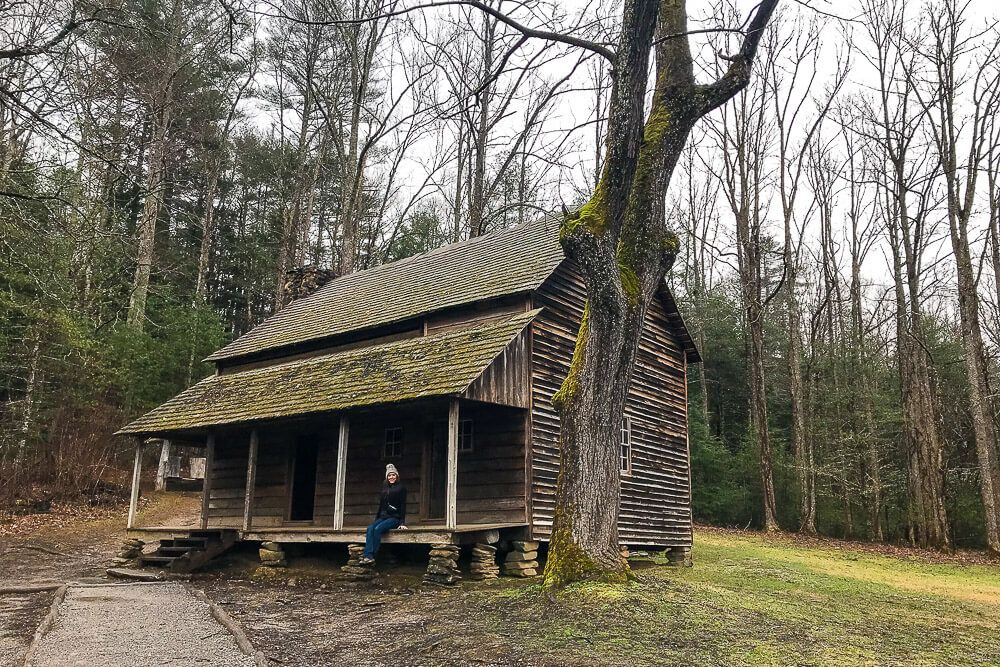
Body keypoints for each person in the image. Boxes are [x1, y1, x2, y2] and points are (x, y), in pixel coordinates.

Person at [359, 464, 407, 565]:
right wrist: (376, 520)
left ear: (397, 476)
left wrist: (402, 522)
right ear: (387, 477)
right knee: (370, 528)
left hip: (395, 518)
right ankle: (368, 556)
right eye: (389, 475)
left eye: (393, 475)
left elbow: (403, 505)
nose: (391, 477)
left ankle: (372, 556)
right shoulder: (384, 489)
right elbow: (381, 506)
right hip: (383, 516)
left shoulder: (401, 488)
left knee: (378, 529)